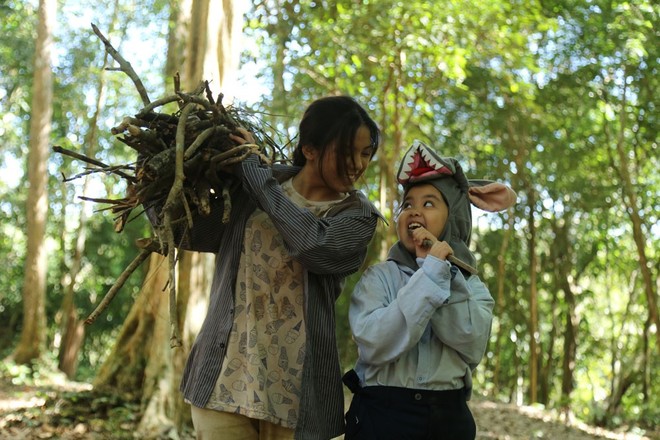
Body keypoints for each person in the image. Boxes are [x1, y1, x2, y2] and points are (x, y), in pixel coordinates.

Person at [147, 96, 382, 439]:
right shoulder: (253, 185)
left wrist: (257, 177)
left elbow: (313, 246)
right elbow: (188, 231)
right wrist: (153, 184)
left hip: (296, 400)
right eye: (348, 151)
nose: (358, 164)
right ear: (310, 149)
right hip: (223, 383)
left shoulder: (358, 216)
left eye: (366, 153)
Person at [342, 140, 517, 440]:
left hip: (447, 418)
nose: (414, 212)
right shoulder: (379, 278)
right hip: (381, 415)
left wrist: (437, 271)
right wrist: (428, 277)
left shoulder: (473, 287)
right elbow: (374, 343)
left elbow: (470, 340)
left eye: (429, 203)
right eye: (407, 204)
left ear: (453, 218)